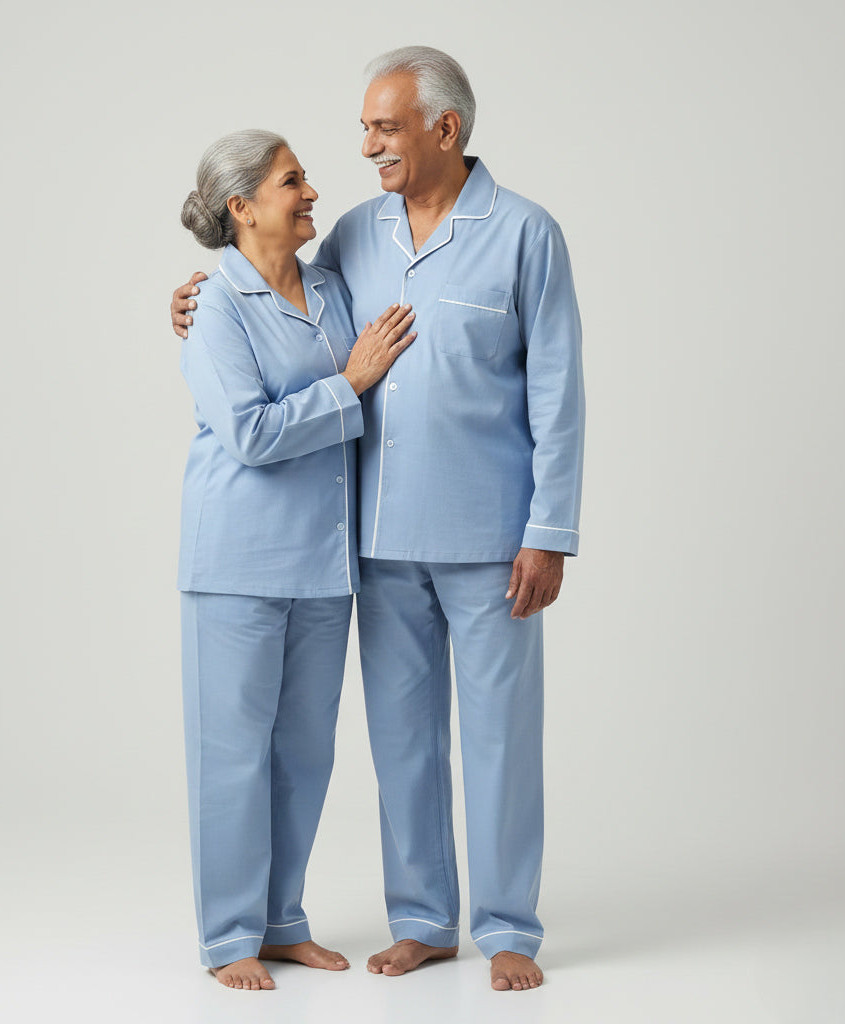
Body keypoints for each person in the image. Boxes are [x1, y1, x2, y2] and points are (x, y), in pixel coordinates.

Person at [172, 47, 584, 992]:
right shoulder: (355, 237)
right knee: (402, 742)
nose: (364, 147)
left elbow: (559, 391)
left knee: (500, 737)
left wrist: (550, 529)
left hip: (492, 540)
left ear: (445, 128)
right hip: (373, 543)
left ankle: (510, 925)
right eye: (363, 128)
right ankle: (426, 919)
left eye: (383, 128)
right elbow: (265, 295)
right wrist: (191, 297)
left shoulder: (526, 233)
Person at [176, 129, 416, 991]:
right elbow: (249, 433)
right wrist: (347, 385)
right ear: (242, 207)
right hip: (237, 560)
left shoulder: (330, 287)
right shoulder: (215, 305)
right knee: (232, 752)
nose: (312, 190)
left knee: (304, 752)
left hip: (324, 562)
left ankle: (282, 920)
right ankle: (228, 936)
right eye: (292, 181)